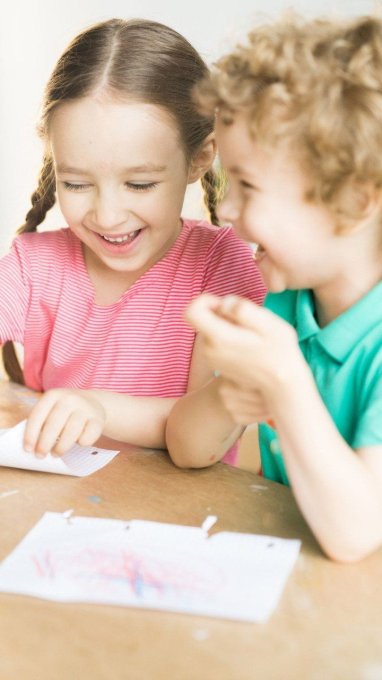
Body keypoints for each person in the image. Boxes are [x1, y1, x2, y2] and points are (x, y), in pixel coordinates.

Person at [166, 15, 382, 561]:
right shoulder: (287, 305)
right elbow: (187, 448)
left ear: (355, 201)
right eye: (227, 183)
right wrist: (228, 396)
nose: (227, 210)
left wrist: (285, 382)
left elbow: (357, 534)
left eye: (249, 186)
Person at [1, 18, 265, 458]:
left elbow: (202, 435)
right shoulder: (33, 265)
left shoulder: (225, 269)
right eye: (77, 184)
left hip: (179, 515)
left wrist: (98, 407)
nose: (106, 216)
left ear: (199, 159)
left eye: (140, 185)